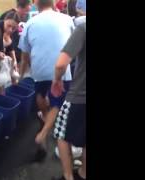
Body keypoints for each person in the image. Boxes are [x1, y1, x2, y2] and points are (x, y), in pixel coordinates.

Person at [18, 0, 73, 160]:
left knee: (41, 95)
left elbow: (24, 55)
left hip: (39, 69)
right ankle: (43, 133)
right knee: (58, 101)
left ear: (36, 4)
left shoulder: (30, 23)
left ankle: (44, 117)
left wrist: (22, 74)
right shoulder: (66, 19)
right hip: (61, 67)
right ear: (54, 3)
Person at [51, 22, 86, 180]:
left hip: (80, 95)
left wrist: (56, 80)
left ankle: (68, 175)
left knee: (61, 134)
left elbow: (61, 64)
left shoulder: (83, 28)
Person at [0, 0, 31, 65]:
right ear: (19, 7)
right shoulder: (7, 15)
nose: (27, 13)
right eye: (26, 11)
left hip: (20, 52)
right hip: (9, 52)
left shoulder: (25, 17)